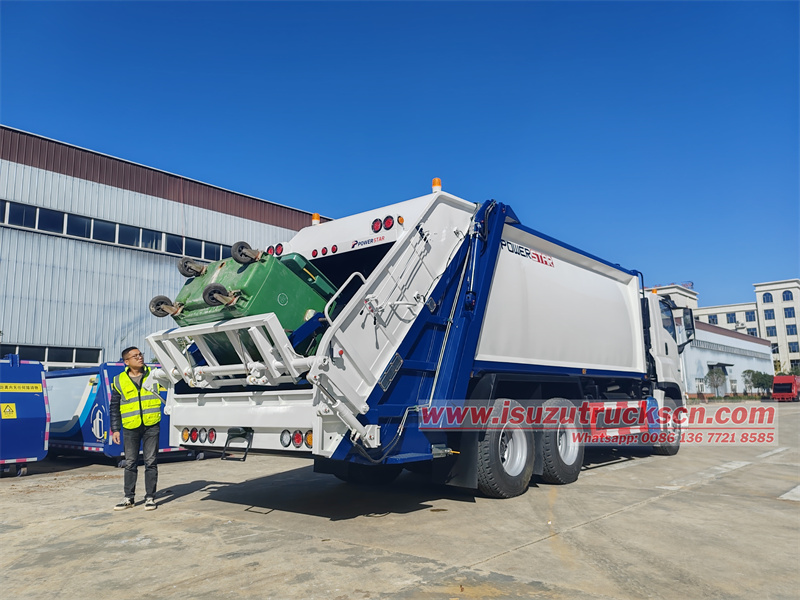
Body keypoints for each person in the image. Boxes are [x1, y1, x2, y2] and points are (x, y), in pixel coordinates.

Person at [110, 346, 164, 511]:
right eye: (135, 356)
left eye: (141, 354)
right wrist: (115, 429)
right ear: (126, 361)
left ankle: (150, 498)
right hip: (130, 427)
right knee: (130, 463)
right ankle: (128, 498)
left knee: (150, 462)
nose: (140, 357)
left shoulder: (154, 374)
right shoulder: (119, 380)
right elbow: (114, 406)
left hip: (151, 424)